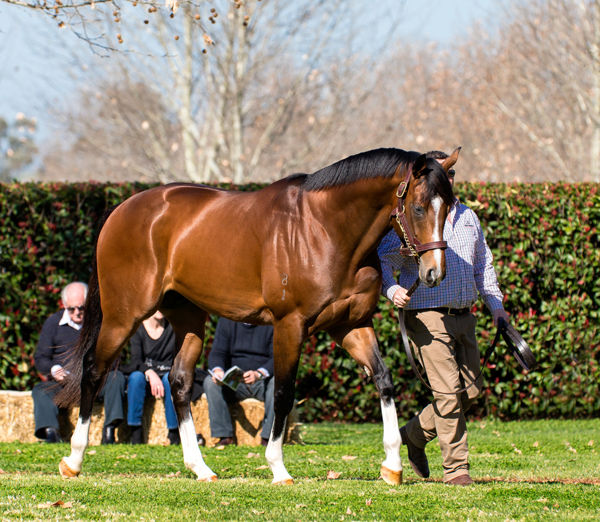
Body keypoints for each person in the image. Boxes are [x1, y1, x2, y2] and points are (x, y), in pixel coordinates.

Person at [377, 151, 509, 486]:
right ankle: (456, 470)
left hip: (464, 315)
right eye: (440, 175)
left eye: (450, 175)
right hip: (427, 315)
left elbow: (483, 265)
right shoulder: (414, 216)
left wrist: (496, 306)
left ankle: (413, 435)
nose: (447, 180)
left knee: (470, 392)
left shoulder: (468, 217)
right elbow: (382, 258)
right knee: (449, 395)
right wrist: (391, 288)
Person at [33, 281, 126, 443]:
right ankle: (51, 432)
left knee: (116, 378)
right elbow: (41, 358)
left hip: (94, 382)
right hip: (64, 384)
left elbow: (115, 356)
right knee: (40, 390)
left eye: (81, 308)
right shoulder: (53, 323)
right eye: (71, 309)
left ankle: (109, 430)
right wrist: (54, 369)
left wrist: (95, 371)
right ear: (64, 305)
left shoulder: (99, 324)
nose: (77, 313)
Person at [203, 318, 274, 447]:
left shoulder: (271, 323)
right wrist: (218, 371)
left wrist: (259, 373)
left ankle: (269, 437)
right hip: (235, 384)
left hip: (262, 382)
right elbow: (217, 353)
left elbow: (278, 357)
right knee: (210, 382)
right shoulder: (226, 321)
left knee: (277, 383)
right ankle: (224, 436)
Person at [121, 311, 181, 445]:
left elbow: (177, 358)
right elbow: (136, 360)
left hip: (166, 373)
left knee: (170, 379)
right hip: (145, 375)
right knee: (136, 378)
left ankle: (174, 433)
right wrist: (150, 372)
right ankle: (135, 432)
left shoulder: (172, 327)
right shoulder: (138, 329)